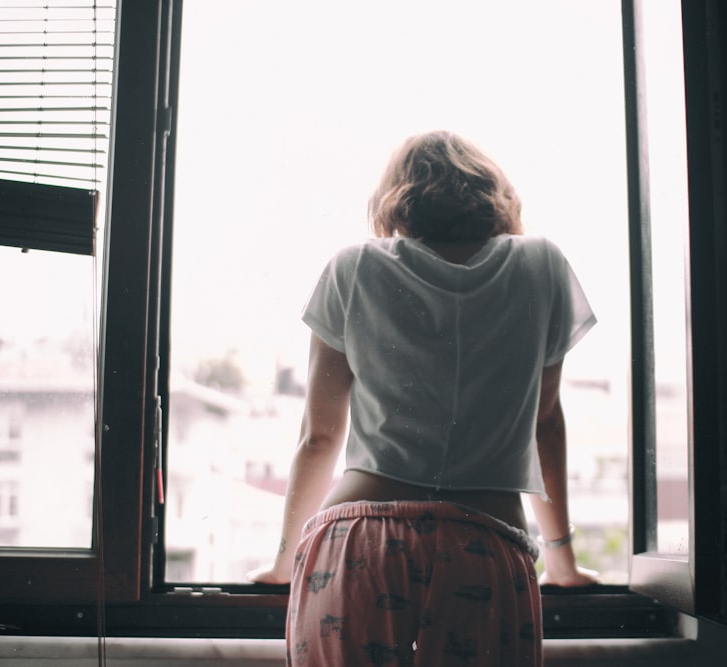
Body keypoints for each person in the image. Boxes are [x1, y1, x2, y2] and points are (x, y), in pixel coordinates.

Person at [249, 130, 600, 665]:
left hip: (356, 540)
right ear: (492, 192)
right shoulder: (542, 265)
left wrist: (283, 562)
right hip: (484, 543)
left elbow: (320, 437)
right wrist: (563, 563)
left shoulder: (354, 267)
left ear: (396, 197)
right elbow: (544, 423)